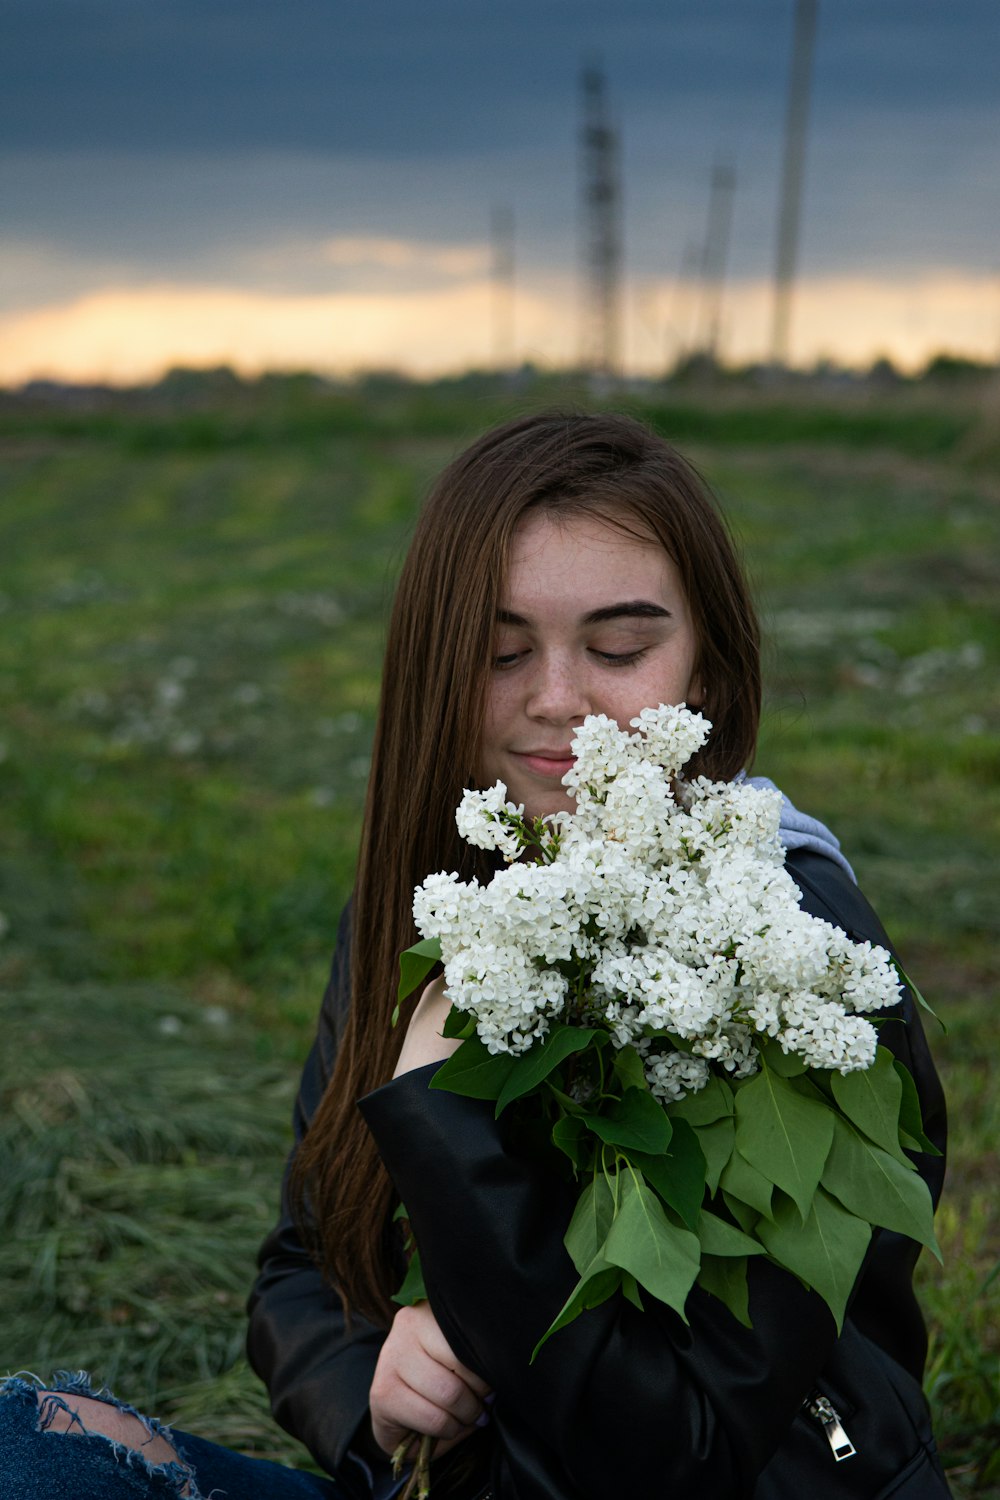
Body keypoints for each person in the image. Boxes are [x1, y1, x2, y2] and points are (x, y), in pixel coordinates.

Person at [1, 411, 949, 1499]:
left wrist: (447, 1117)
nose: (556, 700)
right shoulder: (435, 898)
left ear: (710, 678)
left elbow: (667, 1460)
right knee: (24, 1445)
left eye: (620, 648)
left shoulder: (783, 950)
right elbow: (303, 1262)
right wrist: (376, 1395)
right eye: (501, 654)